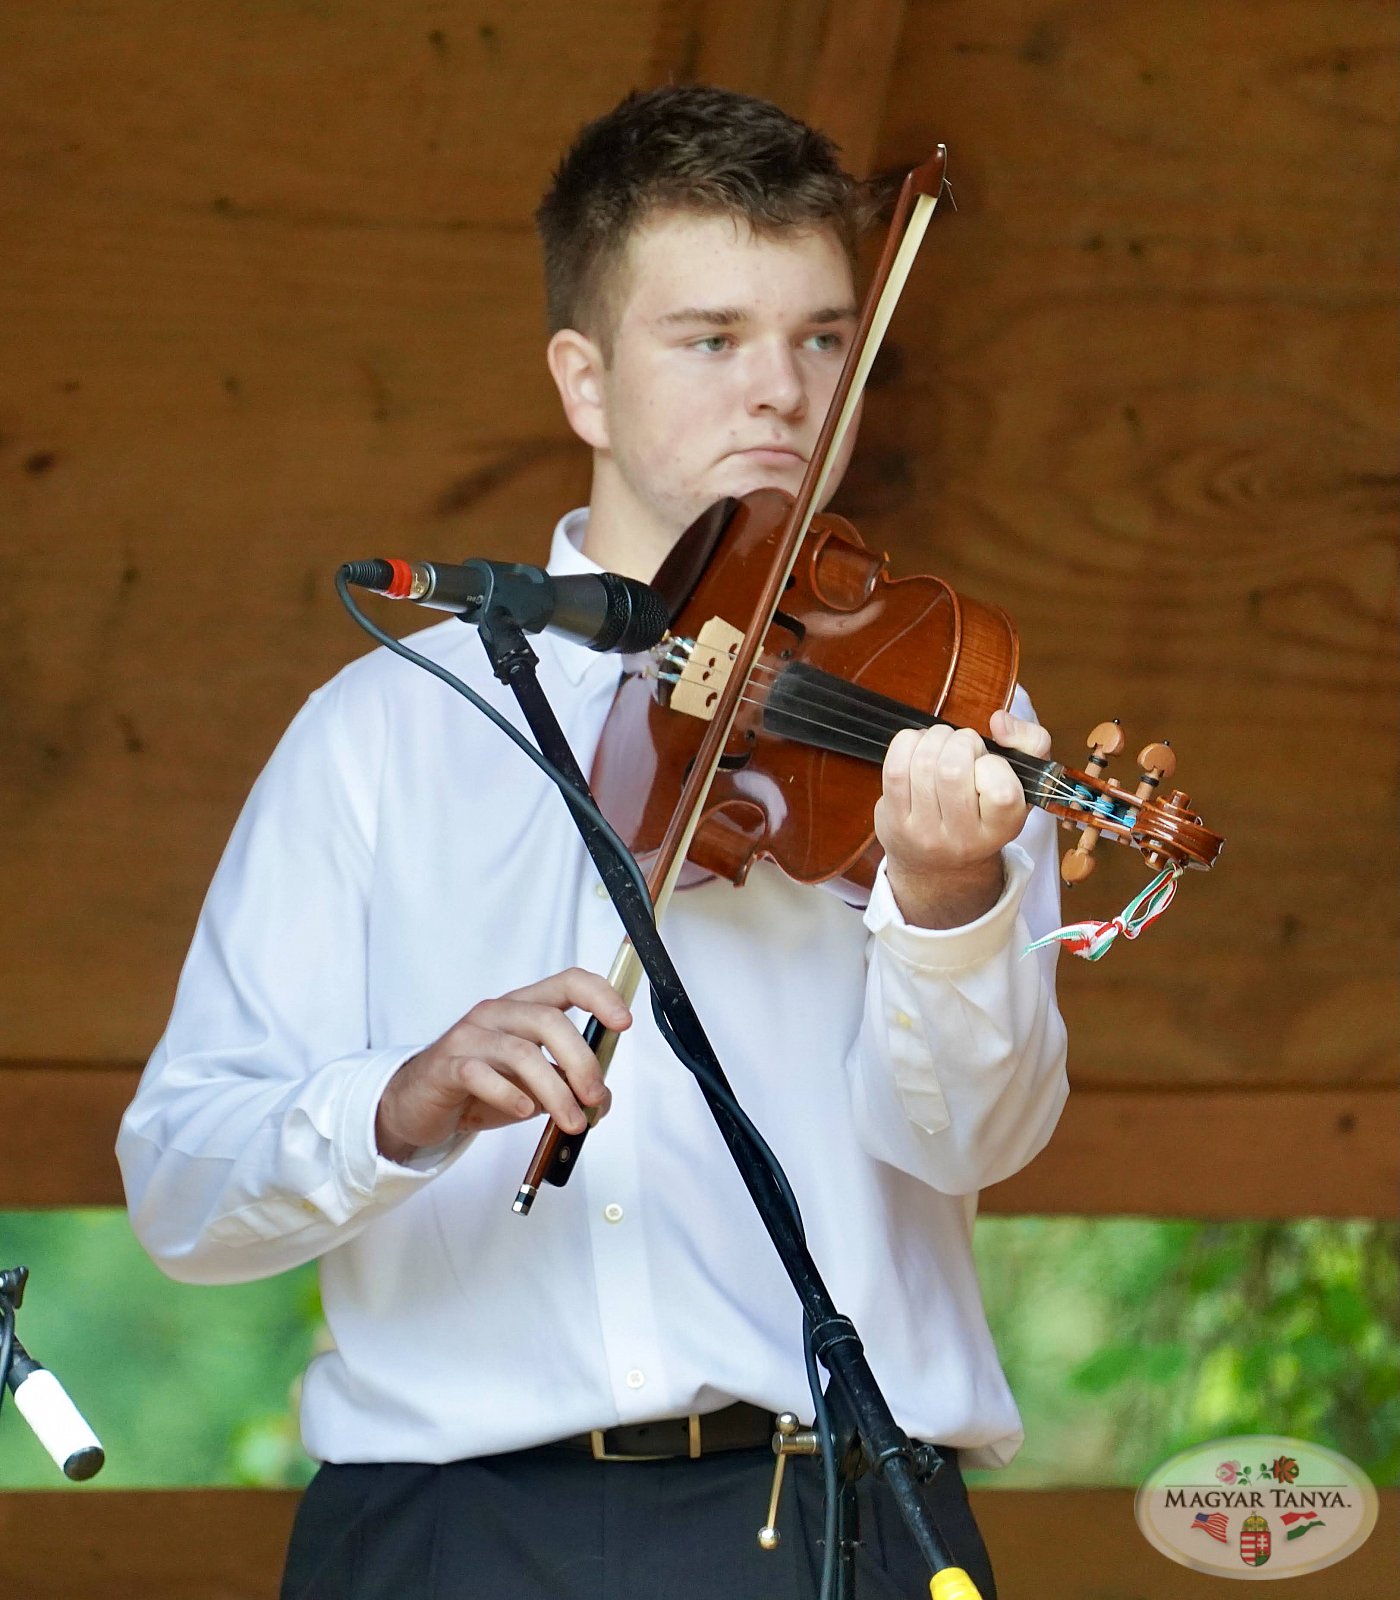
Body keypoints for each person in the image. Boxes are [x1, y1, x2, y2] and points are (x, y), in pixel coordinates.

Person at [118, 85, 1069, 1600]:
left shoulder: (937, 710)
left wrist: (951, 902)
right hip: (450, 1532)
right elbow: (180, 1187)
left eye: (824, 338)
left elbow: (979, 1139)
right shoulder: (386, 730)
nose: (783, 393)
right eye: (712, 340)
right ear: (585, 381)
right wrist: (400, 1102)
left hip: (832, 1515)